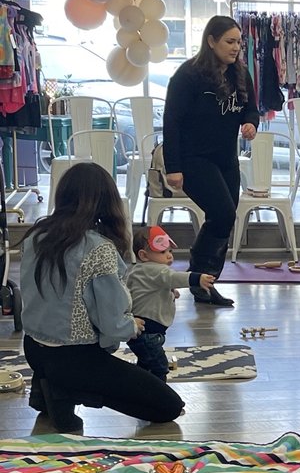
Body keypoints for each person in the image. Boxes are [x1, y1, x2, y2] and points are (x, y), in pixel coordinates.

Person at [19, 163, 185, 433]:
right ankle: (65, 390)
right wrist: (131, 326)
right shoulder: (98, 248)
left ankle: (47, 386)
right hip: (75, 359)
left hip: (34, 349)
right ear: (107, 201)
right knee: (168, 407)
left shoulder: (37, 235)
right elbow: (111, 322)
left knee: (65, 365)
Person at [162, 15, 259, 307]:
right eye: (230, 42)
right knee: (223, 214)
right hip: (194, 159)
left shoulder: (240, 73)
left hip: (226, 159)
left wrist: (251, 124)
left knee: (223, 218)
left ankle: (205, 282)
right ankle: (198, 275)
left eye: (239, 42)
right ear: (211, 41)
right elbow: (172, 122)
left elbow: (251, 109)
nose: (236, 48)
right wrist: (173, 167)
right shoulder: (188, 75)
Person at [126, 227, 216, 380]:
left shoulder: (141, 271)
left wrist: (169, 293)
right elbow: (173, 277)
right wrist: (197, 278)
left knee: (146, 364)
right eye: (162, 252)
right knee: (159, 368)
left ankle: (138, 388)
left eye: (170, 251)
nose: (168, 256)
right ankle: (159, 397)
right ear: (144, 255)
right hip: (148, 333)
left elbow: (144, 291)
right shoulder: (155, 270)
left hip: (145, 331)